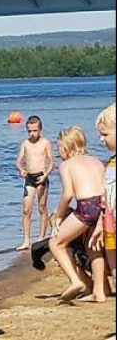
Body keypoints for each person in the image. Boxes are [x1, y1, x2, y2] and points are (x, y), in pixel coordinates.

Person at [49, 127, 106, 302]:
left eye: (59, 148)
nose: (58, 153)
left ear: (67, 147)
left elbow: (68, 194)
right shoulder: (97, 161)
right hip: (103, 205)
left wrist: (59, 216)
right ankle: (99, 292)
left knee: (56, 243)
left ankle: (75, 281)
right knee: (93, 246)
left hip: (86, 206)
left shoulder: (66, 165)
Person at [15, 115, 55, 251]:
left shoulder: (45, 143)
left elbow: (51, 162)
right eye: (30, 131)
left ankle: (41, 237)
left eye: (35, 131)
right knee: (26, 209)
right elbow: (19, 161)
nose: (32, 134)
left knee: (42, 207)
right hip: (29, 178)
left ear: (40, 129)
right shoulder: (25, 144)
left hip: (41, 177)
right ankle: (26, 240)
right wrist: (21, 169)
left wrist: (46, 175)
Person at [91, 104, 116, 284]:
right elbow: (104, 196)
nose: (101, 139)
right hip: (109, 219)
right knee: (112, 255)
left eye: (105, 134)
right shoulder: (111, 162)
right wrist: (100, 222)